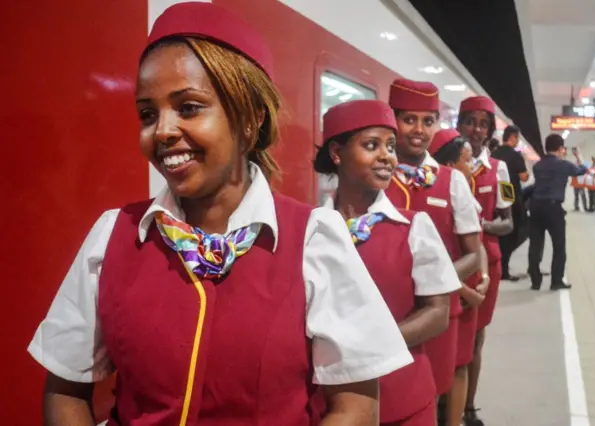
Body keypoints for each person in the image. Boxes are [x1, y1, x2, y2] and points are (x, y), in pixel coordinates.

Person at [27, 4, 415, 425]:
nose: (162, 131)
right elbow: (66, 389)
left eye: (189, 107)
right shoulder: (113, 236)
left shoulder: (313, 239)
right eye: (147, 114)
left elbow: (355, 405)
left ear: (250, 118)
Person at [314, 99, 461, 425]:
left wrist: (370, 345)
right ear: (337, 154)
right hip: (332, 404)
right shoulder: (310, 228)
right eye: (372, 145)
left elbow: (438, 312)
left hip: (404, 398)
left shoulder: (414, 227)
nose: (387, 156)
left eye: (391, 146)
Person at [384, 79, 484, 425]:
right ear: (391, 119)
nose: (419, 130)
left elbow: (473, 252)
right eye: (408, 119)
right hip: (385, 308)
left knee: (435, 390)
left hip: (439, 311)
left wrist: (436, 281)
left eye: (429, 121)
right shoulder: (375, 174)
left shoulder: (451, 180)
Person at [456, 95, 514, 426]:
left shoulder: (500, 169)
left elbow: (508, 222)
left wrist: (480, 224)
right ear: (459, 123)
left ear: (489, 130)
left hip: (486, 264)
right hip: (453, 259)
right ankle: (444, 401)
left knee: (476, 337)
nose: (475, 130)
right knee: (447, 333)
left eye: (482, 124)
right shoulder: (444, 163)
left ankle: (468, 407)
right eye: (469, 121)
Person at [428, 129, 489, 426]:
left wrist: (485, 275)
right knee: (434, 369)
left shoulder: (461, 188)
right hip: (450, 291)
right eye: (466, 160)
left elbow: (475, 245)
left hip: (461, 288)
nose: (471, 166)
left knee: (459, 361)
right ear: (450, 164)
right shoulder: (438, 185)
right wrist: (464, 289)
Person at [527, 134, 587, 290]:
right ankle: (556, 281)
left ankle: (535, 281)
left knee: (535, 244)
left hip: (536, 208)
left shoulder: (537, 166)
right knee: (559, 246)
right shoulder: (564, 165)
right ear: (561, 148)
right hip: (553, 209)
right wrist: (579, 157)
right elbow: (582, 170)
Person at [491, 125, 529, 280]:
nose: (517, 142)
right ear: (512, 137)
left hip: (495, 199)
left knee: (498, 234)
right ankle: (504, 267)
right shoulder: (516, 155)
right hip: (511, 199)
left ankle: (499, 266)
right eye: (517, 139)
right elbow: (524, 177)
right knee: (517, 232)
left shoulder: (494, 154)